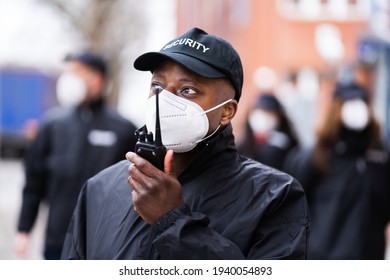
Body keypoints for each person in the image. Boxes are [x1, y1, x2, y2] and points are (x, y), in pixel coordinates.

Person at [61, 27, 309, 260]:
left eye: (188, 90)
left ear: (226, 112)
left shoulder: (274, 196)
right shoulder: (100, 189)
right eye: (157, 86)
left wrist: (172, 221)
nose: (164, 100)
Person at [15, 50, 138, 260]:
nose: (68, 79)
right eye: (68, 72)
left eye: (76, 72)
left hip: (104, 241)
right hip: (58, 238)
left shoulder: (123, 129)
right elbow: (34, 180)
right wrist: (24, 229)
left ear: (97, 80)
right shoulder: (52, 125)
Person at [284, 81, 390, 259]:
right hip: (326, 260)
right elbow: (292, 209)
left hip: (370, 258)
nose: (357, 110)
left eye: (362, 103)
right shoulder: (315, 157)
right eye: (350, 104)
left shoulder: (379, 158)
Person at [237, 93, 299, 171]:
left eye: (269, 112)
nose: (263, 118)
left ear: (279, 117)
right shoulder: (241, 148)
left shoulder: (288, 145)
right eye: (258, 112)